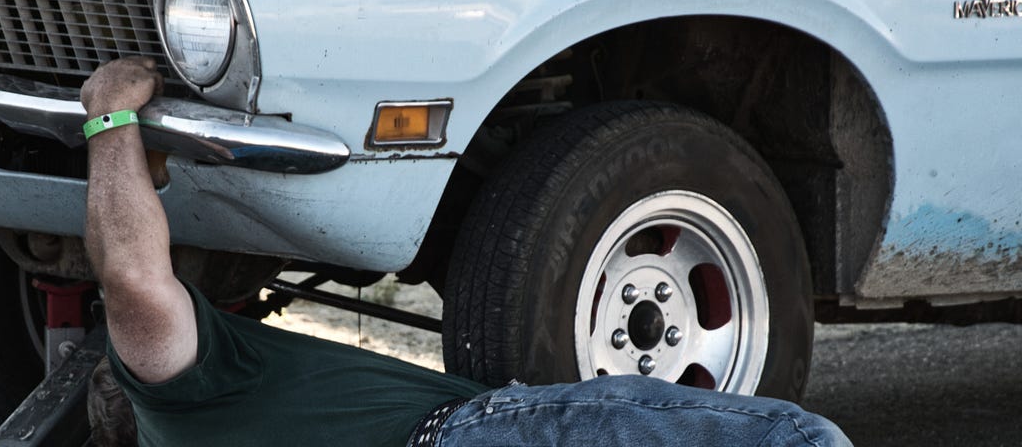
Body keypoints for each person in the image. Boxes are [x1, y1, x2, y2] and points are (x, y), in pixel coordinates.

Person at [78, 57, 852, 446]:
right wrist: (109, 120)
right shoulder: (173, 399)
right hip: (469, 435)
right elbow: (131, 279)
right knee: (796, 440)